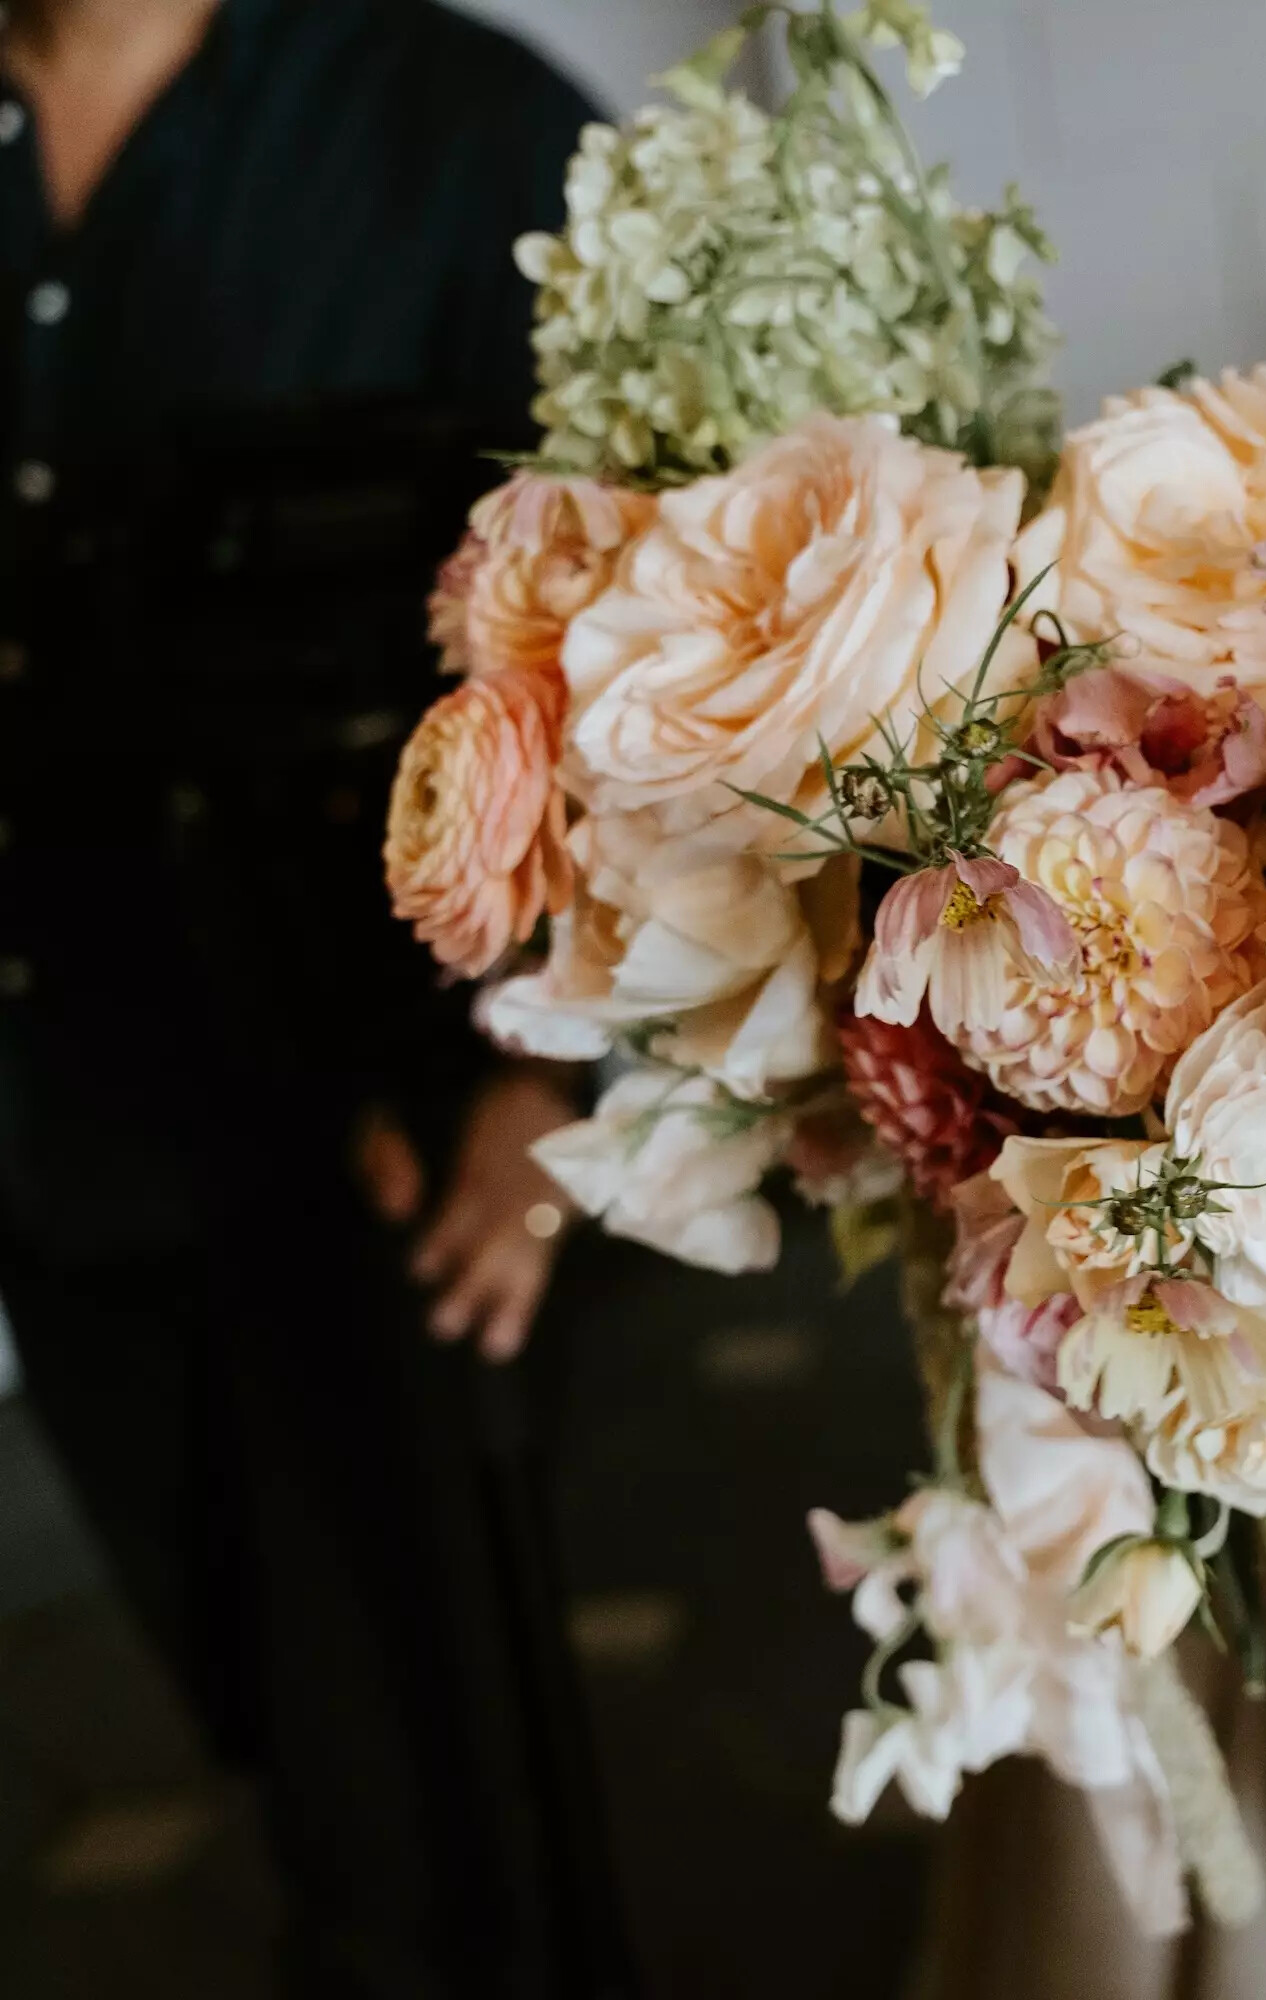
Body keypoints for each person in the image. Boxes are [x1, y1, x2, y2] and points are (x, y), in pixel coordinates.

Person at [0, 1, 631, 1993]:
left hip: (389, 1137)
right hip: (55, 1117)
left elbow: (664, 620)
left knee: (440, 1816)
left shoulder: (458, 129)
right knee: (270, 1726)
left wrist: (557, 1063)